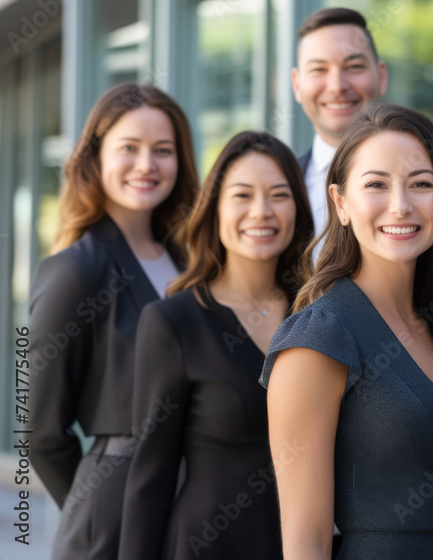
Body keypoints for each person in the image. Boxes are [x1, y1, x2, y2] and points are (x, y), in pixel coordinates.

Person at [262, 101, 433, 559]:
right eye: (376, 185)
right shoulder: (317, 340)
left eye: (421, 184)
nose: (401, 205)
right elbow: (305, 544)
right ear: (341, 203)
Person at [119, 131, 314, 559]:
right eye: (242, 195)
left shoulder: (322, 316)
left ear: (298, 208)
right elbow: (150, 479)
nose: (261, 212)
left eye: (279, 195)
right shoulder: (174, 322)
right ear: (215, 209)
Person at [28, 83, 199, 559]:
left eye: (163, 151)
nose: (147, 165)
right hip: (115, 513)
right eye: (130, 148)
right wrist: (94, 504)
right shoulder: (74, 270)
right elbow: (40, 433)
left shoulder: (192, 260)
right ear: (95, 158)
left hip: (195, 505)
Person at [292, 7, 387, 236]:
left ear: (381, 76)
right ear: (297, 85)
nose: (337, 86)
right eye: (318, 69)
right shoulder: (283, 187)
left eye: (354, 66)